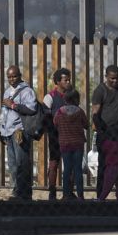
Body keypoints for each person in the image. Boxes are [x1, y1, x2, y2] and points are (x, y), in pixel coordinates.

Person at [92, 65, 118, 201]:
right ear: (106, 77)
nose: (115, 81)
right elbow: (95, 114)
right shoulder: (100, 91)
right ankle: (100, 196)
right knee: (103, 165)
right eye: (112, 79)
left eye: (117, 78)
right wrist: (102, 133)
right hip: (106, 135)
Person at [0, 66, 38, 201]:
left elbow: (32, 109)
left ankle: (25, 193)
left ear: (19, 75)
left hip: (19, 131)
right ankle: (17, 191)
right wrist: (1, 130)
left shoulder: (27, 91)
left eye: (14, 76)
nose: (11, 79)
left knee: (22, 163)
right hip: (8, 132)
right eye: (9, 77)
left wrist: (14, 105)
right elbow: (4, 112)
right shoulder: (7, 92)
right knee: (13, 164)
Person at [54, 89, 88, 200]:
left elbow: (55, 123)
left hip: (65, 144)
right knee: (78, 170)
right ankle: (80, 195)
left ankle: (66, 194)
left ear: (65, 100)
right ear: (75, 99)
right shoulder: (79, 111)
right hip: (78, 144)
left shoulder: (59, 112)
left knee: (67, 169)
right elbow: (86, 125)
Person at [43, 68, 72, 200]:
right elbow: (45, 116)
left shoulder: (71, 96)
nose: (68, 82)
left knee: (70, 163)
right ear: (57, 81)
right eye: (65, 80)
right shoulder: (50, 97)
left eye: (69, 79)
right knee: (54, 162)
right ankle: (52, 191)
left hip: (70, 136)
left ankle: (68, 192)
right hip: (55, 135)